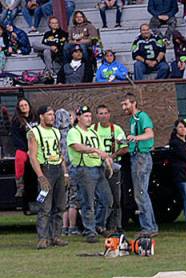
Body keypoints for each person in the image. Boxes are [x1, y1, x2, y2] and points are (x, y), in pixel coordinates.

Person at [66, 105, 112, 243]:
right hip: (83, 169)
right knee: (87, 202)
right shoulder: (74, 132)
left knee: (107, 200)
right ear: (78, 118)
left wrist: (108, 162)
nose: (89, 118)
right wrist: (95, 151)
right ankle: (90, 231)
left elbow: (103, 152)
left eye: (90, 116)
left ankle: (98, 225)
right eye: (85, 116)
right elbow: (77, 147)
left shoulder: (94, 132)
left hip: (97, 168)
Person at [28, 105, 69, 250]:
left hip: (57, 167)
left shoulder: (56, 132)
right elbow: (32, 157)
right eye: (49, 114)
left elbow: (59, 153)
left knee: (60, 205)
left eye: (53, 115)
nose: (52, 117)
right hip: (46, 168)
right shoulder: (34, 132)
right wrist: (40, 176)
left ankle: (56, 236)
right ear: (41, 116)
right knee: (45, 206)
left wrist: (65, 173)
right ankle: (43, 238)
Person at [123, 92, 158, 237]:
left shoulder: (141, 116)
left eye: (126, 104)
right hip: (137, 157)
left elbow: (150, 134)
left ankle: (148, 227)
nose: (123, 107)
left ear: (133, 103)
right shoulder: (133, 119)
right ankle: (151, 226)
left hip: (141, 158)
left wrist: (135, 138)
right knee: (141, 193)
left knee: (141, 194)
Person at [94, 103, 127, 232]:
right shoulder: (93, 129)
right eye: (100, 113)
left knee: (116, 197)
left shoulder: (117, 129)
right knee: (101, 198)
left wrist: (112, 156)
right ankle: (100, 225)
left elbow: (125, 148)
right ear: (97, 115)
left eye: (105, 113)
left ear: (109, 114)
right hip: (98, 166)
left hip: (113, 166)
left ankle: (116, 226)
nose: (103, 116)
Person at [11, 97, 32, 213]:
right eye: (22, 106)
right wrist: (27, 149)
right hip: (24, 149)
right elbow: (16, 138)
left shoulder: (36, 119)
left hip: (36, 148)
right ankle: (20, 185)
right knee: (19, 157)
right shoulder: (16, 121)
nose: (24, 107)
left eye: (25, 105)